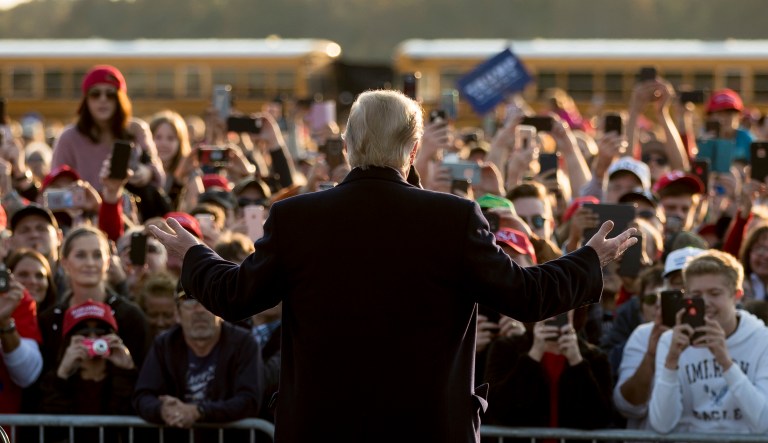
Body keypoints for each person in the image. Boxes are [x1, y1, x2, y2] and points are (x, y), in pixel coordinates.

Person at [149, 89, 637, 443]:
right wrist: (588, 259)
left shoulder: (297, 217)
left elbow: (238, 296)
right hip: (428, 430)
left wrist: (194, 254)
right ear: (414, 148)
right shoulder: (452, 218)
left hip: (323, 430)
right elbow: (525, 296)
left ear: (349, 147)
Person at [648, 250, 768, 434]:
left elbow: (763, 423)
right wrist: (671, 363)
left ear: (737, 295)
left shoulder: (762, 339)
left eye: (714, 293)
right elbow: (661, 424)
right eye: (696, 294)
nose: (705, 302)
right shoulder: (670, 342)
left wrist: (726, 363)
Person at [132, 286, 264, 443]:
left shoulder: (244, 343)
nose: (199, 310)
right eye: (189, 303)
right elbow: (143, 396)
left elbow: (249, 400)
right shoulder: (164, 344)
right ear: (177, 314)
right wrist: (163, 410)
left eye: (207, 302)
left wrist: (199, 412)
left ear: (221, 311)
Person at [50, 64, 166, 220]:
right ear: (86, 99)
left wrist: (146, 172)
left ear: (120, 98)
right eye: (95, 94)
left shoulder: (136, 130)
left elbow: (159, 175)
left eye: (110, 94)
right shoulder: (68, 137)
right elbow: (54, 186)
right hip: (84, 222)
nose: (103, 100)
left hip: (134, 217)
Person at [38, 299, 137, 442]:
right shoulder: (54, 379)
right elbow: (52, 428)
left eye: (100, 331)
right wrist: (62, 374)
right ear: (69, 340)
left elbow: (123, 423)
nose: (93, 338)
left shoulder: (126, 376)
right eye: (84, 332)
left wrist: (126, 371)